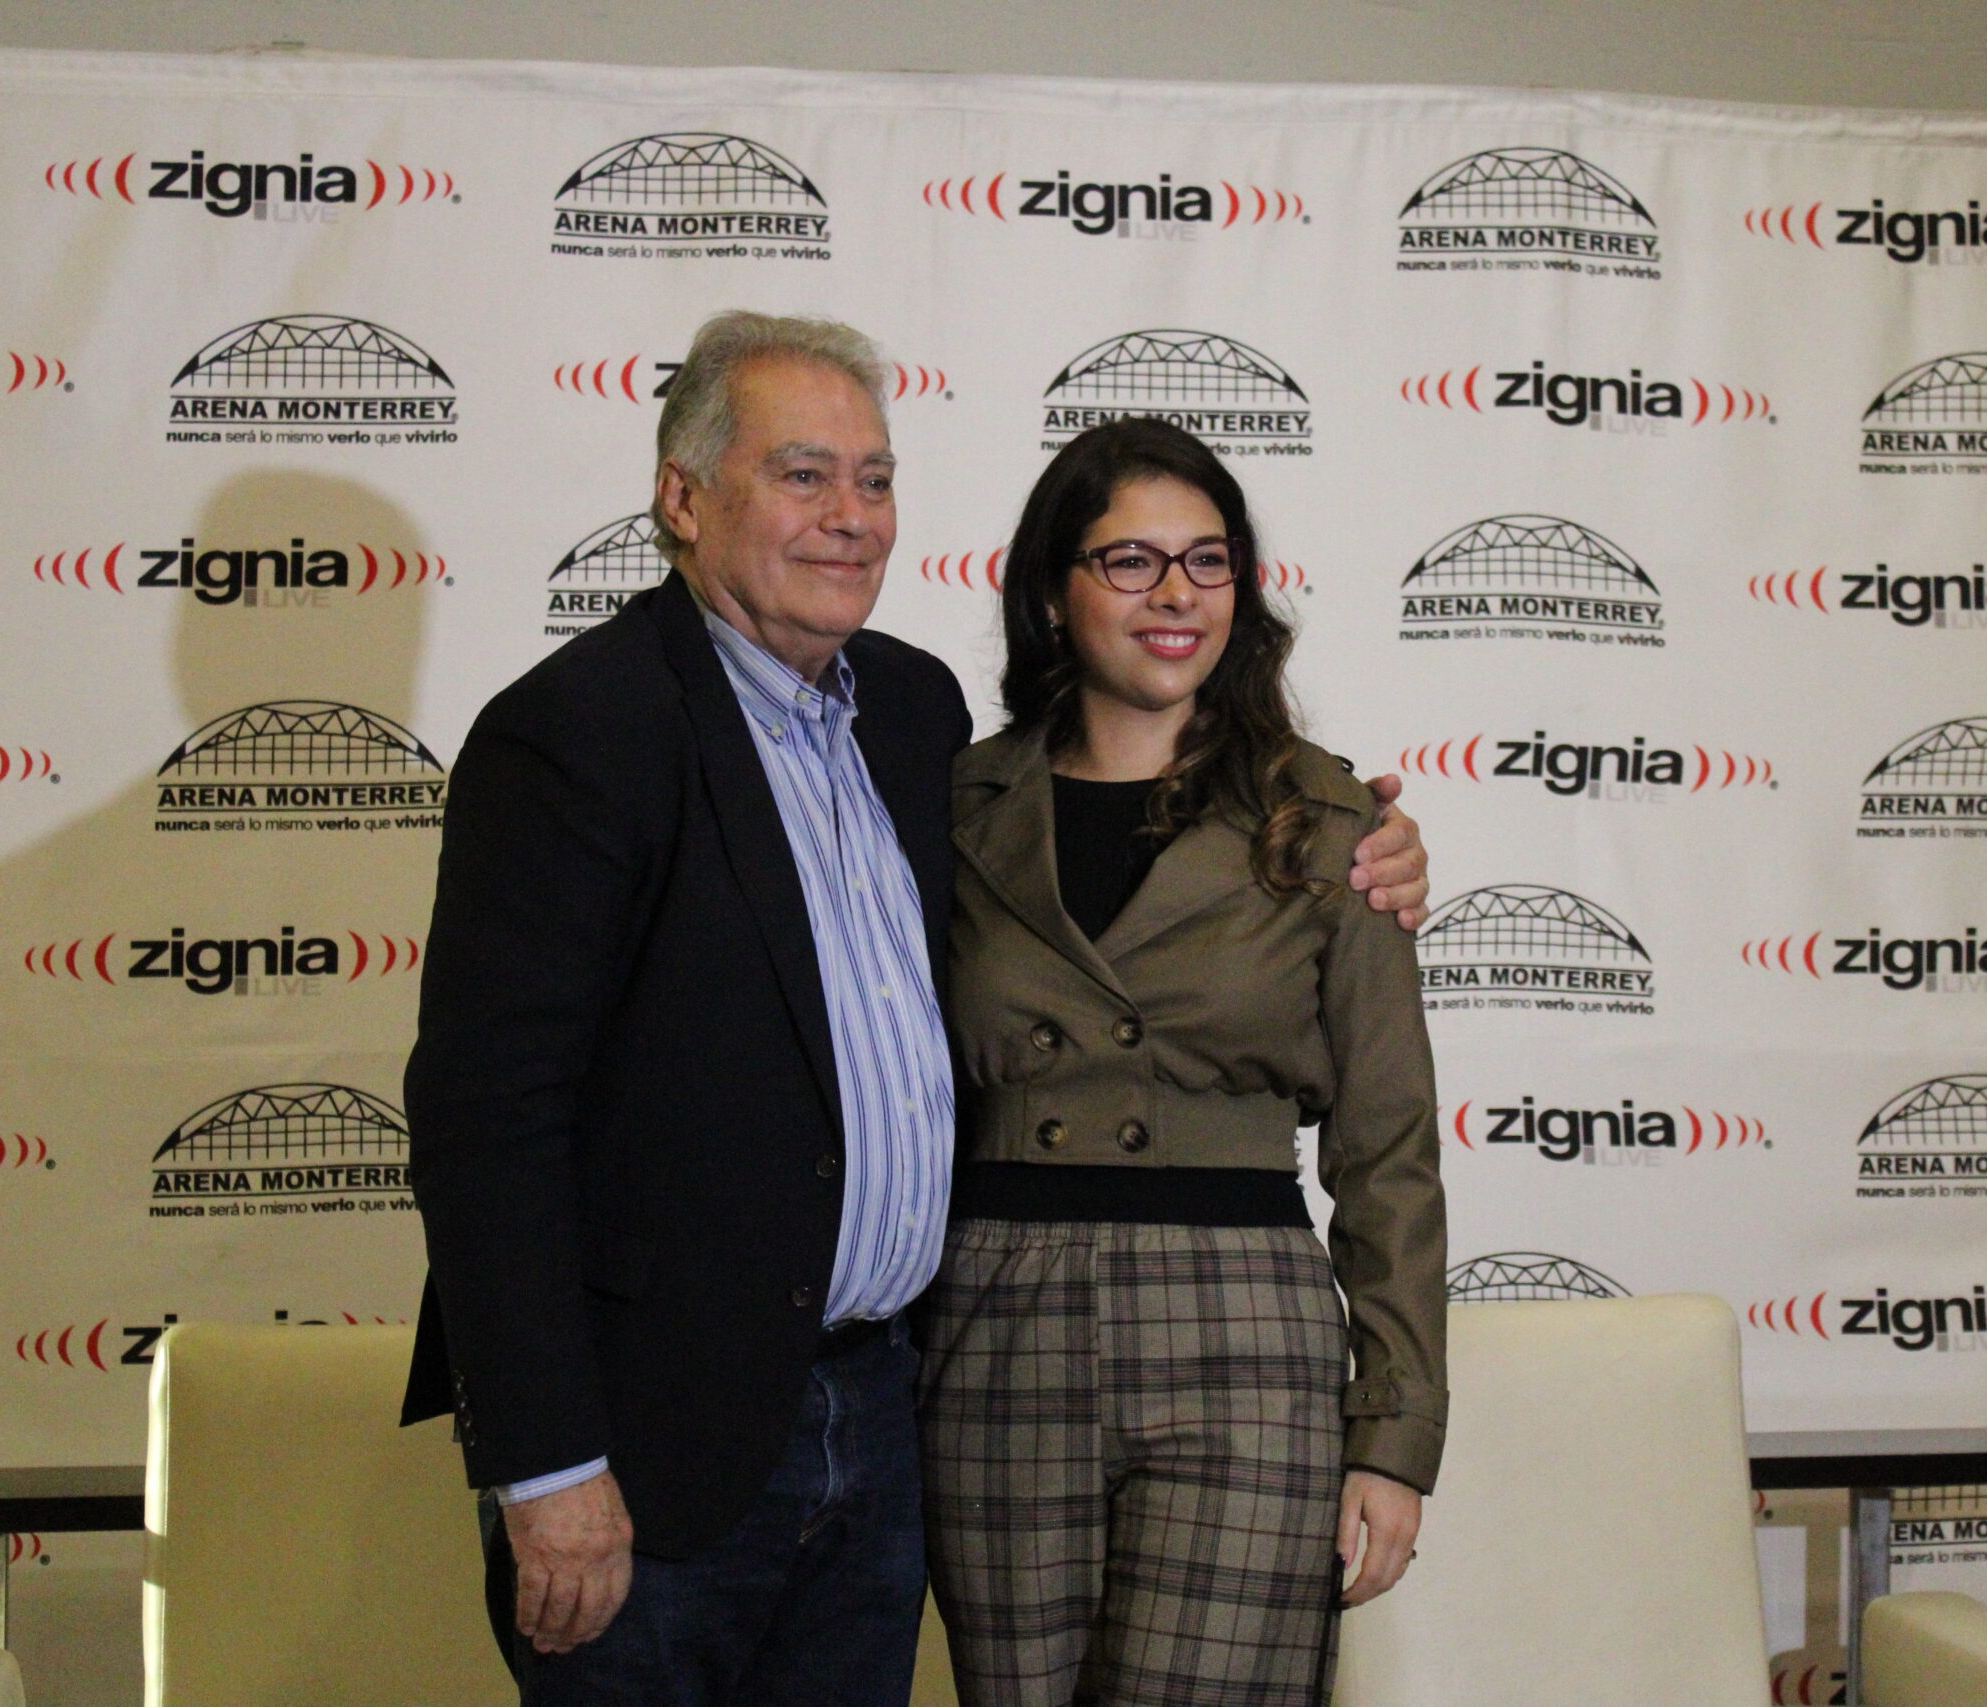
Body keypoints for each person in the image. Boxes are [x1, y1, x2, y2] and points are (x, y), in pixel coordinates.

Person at [400, 312, 1434, 1706]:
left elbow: (1373, 1130)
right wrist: (545, 1463)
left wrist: (1367, 840)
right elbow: (486, 1119)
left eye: (875, 480)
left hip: (887, 1412)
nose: (850, 516)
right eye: (803, 475)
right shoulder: (578, 732)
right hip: (674, 1435)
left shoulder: (905, 713)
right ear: (683, 498)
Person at [919, 418, 1448, 1707]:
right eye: (1132, 561)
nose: (1177, 595)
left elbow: (1388, 1152)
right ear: (1054, 592)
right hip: (993, 1323)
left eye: (1209, 562)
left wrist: (1392, 1436)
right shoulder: (945, 806)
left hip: (1244, 1325)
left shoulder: (1329, 820)